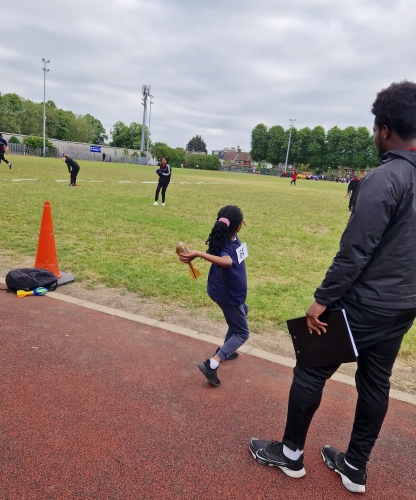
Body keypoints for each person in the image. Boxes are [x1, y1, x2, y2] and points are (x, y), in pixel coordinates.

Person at [249, 81, 416, 495]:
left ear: (384, 129)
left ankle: (290, 454)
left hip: (365, 302)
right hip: (404, 305)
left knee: (311, 368)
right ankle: (355, 466)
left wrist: (321, 301)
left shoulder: (385, 178)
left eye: (375, 128)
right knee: (376, 382)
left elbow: (354, 251)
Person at [178, 205, 249, 387]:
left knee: (244, 310)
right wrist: (198, 254)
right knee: (242, 333)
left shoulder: (225, 236)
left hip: (224, 290)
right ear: (238, 226)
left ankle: (227, 348)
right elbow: (227, 262)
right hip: (229, 295)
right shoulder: (227, 245)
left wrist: (238, 224)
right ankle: (212, 364)